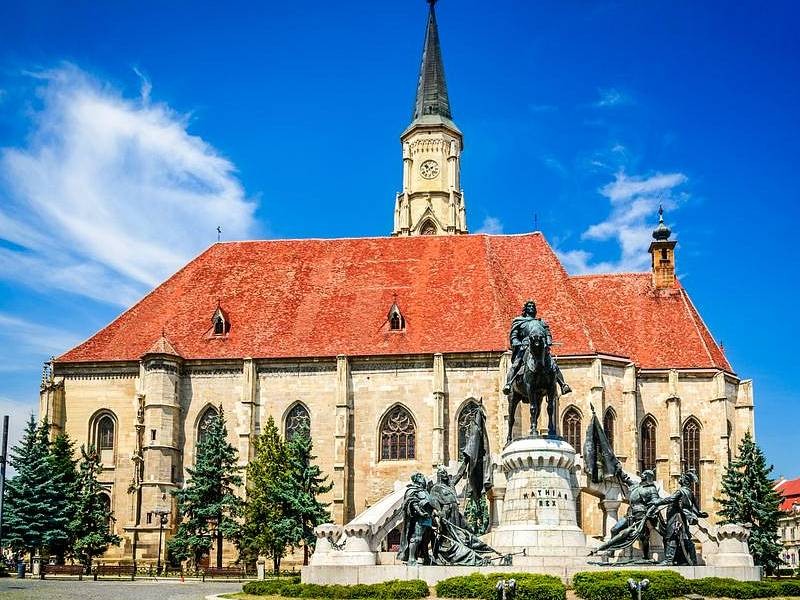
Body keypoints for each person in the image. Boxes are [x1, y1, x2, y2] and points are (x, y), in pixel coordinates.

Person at [502, 300, 571, 396]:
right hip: (525, 347)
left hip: (540, 347)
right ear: (525, 309)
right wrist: (518, 343)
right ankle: (508, 385)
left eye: (533, 306)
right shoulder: (518, 321)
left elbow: (547, 334)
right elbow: (513, 337)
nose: (532, 307)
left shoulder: (541, 322)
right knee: (516, 365)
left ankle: (563, 385)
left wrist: (548, 341)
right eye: (529, 306)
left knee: (552, 364)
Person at [592, 468, 662, 558]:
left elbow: (656, 501)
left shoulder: (651, 489)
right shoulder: (636, 485)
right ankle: (611, 552)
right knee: (614, 529)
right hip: (630, 513)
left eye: (645, 474)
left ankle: (646, 556)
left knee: (642, 536)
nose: (642, 475)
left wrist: (650, 510)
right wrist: (619, 470)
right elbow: (626, 479)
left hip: (641, 514)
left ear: (649, 477)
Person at [652, 471, 708, 565]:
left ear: (685, 481)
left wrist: (658, 502)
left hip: (675, 517)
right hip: (682, 517)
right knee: (685, 537)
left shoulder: (680, 491)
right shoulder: (690, 492)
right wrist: (699, 514)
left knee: (671, 536)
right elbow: (695, 506)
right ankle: (690, 559)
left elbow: (671, 499)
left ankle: (669, 560)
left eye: (682, 478)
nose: (680, 479)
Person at [397, 473, 436, 565]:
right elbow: (412, 502)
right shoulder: (412, 490)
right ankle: (411, 559)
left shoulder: (425, 491)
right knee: (416, 538)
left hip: (428, 519)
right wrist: (421, 512)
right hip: (419, 519)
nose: (424, 479)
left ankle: (426, 558)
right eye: (422, 478)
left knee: (426, 540)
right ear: (418, 480)